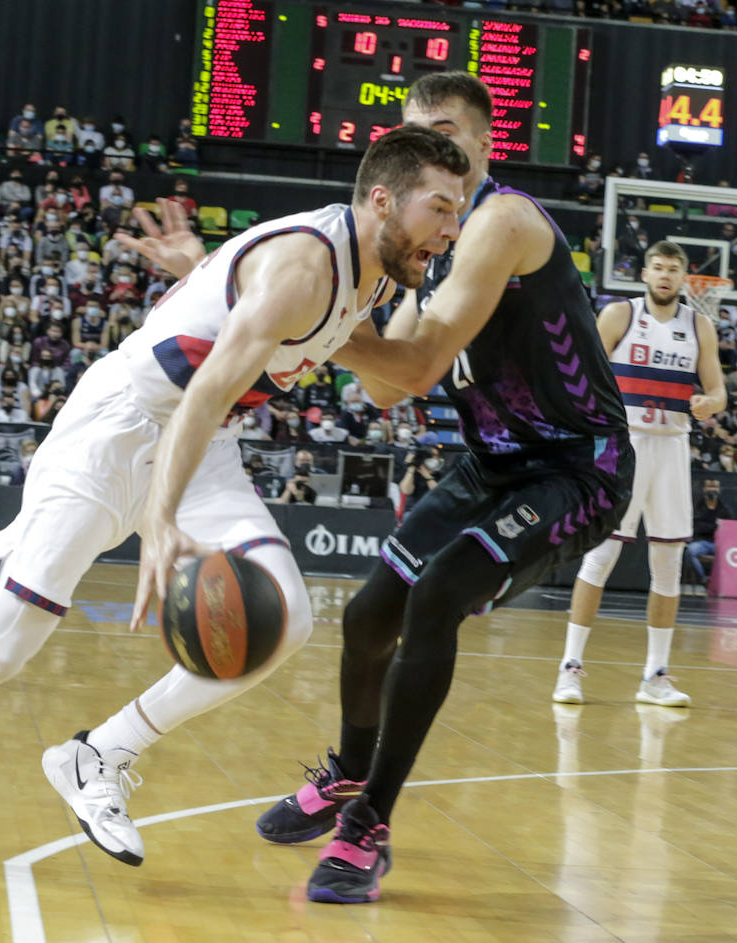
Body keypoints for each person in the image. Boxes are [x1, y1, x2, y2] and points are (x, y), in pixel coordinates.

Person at [0, 127, 467, 869]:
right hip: (121, 426)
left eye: (459, 212)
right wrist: (164, 522)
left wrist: (203, 268)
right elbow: (208, 387)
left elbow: (388, 368)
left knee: (286, 619)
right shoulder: (307, 265)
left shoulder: (365, 276)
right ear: (381, 200)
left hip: (201, 441)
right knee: (0, 648)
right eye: (440, 208)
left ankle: (98, 755)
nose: (452, 228)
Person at [240, 72, 634, 904]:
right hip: (491, 462)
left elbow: (413, 365)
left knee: (437, 596)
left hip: (579, 466)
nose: (434, 143)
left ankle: (369, 824)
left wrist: (289, 318)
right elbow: (388, 390)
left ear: (488, 143)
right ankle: (349, 771)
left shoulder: (501, 221)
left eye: (449, 129)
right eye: (417, 130)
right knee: (368, 613)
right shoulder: (427, 241)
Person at [550, 240, 726, 710]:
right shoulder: (618, 316)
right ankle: (570, 668)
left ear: (684, 278)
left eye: (673, 269)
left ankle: (656, 675)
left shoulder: (699, 326)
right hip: (622, 447)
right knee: (600, 558)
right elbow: (582, 372)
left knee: (667, 564)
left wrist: (711, 402)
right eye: (658, 267)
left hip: (672, 447)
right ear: (645, 274)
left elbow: (718, 388)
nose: (665, 275)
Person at [685, 480, 729, 585]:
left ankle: (724, 584)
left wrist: (708, 526)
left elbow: (728, 529)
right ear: (704, 489)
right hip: (701, 542)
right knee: (690, 552)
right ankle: (704, 579)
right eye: (709, 486)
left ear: (719, 490)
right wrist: (715, 526)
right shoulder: (697, 507)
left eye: (715, 487)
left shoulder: (725, 509)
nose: (712, 489)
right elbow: (697, 527)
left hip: (719, 544)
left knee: (732, 554)